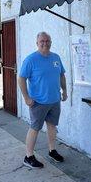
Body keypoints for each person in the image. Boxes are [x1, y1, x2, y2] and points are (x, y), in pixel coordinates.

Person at [18, 31, 67, 168]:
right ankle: (28, 156)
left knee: (52, 126)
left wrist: (65, 91)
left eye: (47, 41)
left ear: (50, 42)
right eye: (42, 41)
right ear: (37, 43)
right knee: (35, 128)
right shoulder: (30, 60)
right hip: (38, 102)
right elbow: (21, 78)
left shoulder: (56, 58)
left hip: (54, 100)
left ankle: (52, 150)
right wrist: (26, 97)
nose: (45, 43)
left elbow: (61, 75)